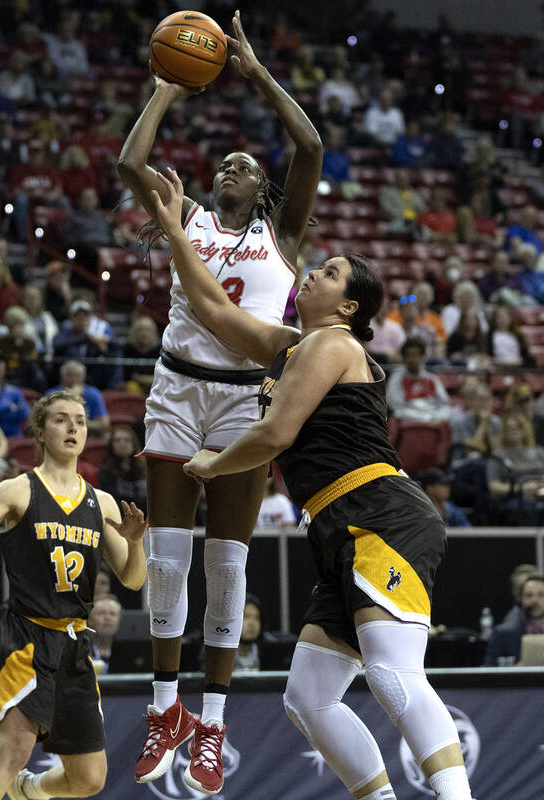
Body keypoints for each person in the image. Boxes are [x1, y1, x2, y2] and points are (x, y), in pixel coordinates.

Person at [149, 166, 474, 800]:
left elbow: (273, 436)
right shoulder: (294, 345)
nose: (311, 273)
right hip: (335, 524)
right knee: (309, 697)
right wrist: (173, 233)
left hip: (380, 513)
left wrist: (214, 465)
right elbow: (213, 309)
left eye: (328, 274)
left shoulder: (333, 344)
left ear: (349, 306)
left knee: (393, 674)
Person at [117, 16, 324, 792]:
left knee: (228, 563)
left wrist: (259, 73)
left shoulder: (284, 237)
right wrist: (167, 89)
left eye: (244, 163)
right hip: (177, 387)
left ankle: (212, 722)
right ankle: (164, 707)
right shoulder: (188, 218)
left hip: (247, 402)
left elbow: (310, 148)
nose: (232, 166)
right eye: (225, 163)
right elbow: (131, 158)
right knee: (168, 559)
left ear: (262, 188)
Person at [0, 389, 147, 800]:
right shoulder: (18, 490)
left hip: (76, 643)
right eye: (61, 419)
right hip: (27, 637)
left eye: (79, 419)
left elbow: (132, 580)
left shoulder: (103, 502)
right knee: (14, 749)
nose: (73, 427)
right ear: (40, 433)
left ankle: (30, 791)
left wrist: (134, 543)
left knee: (90, 779)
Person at [484, 575, 544, 666]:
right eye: (529, 595)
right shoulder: (502, 635)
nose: (535, 600)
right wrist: (515, 671)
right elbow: (489, 672)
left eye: (541, 595)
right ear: (520, 600)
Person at [385, 338, 451, 423]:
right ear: (404, 358)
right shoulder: (396, 380)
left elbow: (445, 403)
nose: (413, 359)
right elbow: (396, 408)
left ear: (422, 356)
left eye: (416, 355)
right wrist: (424, 418)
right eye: (409, 355)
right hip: (408, 421)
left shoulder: (432, 379)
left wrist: (438, 416)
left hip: (433, 419)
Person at [48, 360, 110, 436]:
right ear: (62, 377)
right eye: (70, 376)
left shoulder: (93, 394)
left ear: (83, 378)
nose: (73, 380)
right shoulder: (52, 394)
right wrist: (73, 396)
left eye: (77, 376)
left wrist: (79, 424)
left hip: (88, 437)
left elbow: (104, 425)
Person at [96, 424, 147, 513]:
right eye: (117, 440)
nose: (122, 444)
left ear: (134, 444)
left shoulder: (146, 468)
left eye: (127, 440)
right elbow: (111, 504)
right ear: (111, 445)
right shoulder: (105, 472)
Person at [88, 593, 122, 674]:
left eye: (112, 614)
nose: (107, 617)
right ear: (90, 620)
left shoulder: (128, 652)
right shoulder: (80, 650)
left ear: (119, 621)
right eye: (101, 613)